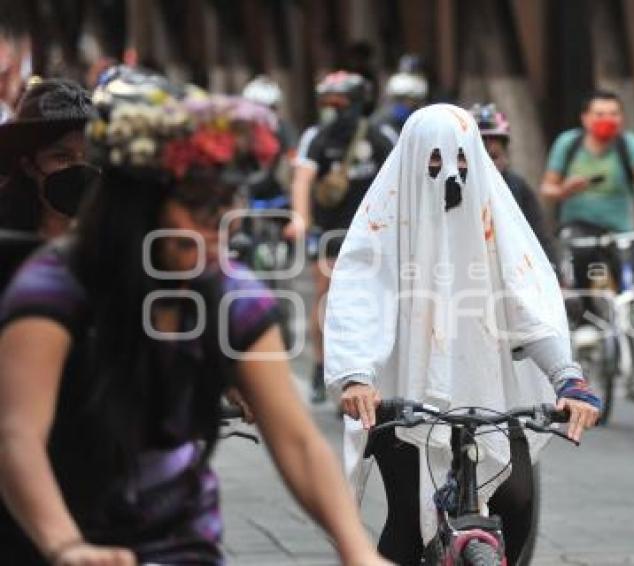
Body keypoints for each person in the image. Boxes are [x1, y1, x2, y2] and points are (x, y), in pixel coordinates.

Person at [0, 85, 388, 566]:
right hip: (52, 536)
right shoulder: (54, 286)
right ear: (140, 206)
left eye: (226, 207)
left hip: (181, 543)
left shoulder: (231, 293)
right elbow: (17, 433)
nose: (217, 227)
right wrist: (67, 547)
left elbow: (300, 441)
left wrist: (357, 549)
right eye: (200, 207)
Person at [323, 104, 601, 565]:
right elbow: (358, 298)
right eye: (434, 162)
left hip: (491, 392)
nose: (450, 175)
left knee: (516, 499)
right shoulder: (381, 222)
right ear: (412, 159)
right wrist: (356, 376)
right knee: (408, 523)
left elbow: (528, 304)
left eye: (462, 161)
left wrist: (568, 378)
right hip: (401, 397)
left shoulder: (498, 223)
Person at [540, 90, 634, 405]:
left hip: (621, 229)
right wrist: (564, 190)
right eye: (600, 114)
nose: (607, 120)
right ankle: (586, 331)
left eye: (614, 113)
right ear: (585, 118)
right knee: (580, 277)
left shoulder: (629, 145)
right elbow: (546, 188)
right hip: (578, 227)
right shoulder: (569, 144)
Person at [287, 70, 395, 403]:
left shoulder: (382, 136)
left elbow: (399, 179)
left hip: (374, 236)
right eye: (327, 104)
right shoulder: (316, 137)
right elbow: (302, 179)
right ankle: (322, 368)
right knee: (326, 299)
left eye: (340, 104)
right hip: (332, 232)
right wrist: (300, 219)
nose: (333, 111)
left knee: (382, 301)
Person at [0, 77, 99, 293]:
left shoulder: (115, 234)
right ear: (28, 166)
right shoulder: (5, 238)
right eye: (62, 157)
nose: (80, 167)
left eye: (90, 156)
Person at [469, 102, 557, 269]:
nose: (486, 164)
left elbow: (538, 233)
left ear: (505, 156)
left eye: (493, 156)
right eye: (479, 155)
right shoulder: (451, 187)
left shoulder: (517, 187)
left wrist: (553, 271)